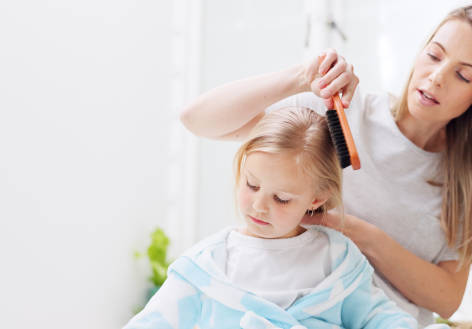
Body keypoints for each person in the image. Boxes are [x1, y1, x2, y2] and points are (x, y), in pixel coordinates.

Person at [180, 5, 472, 328]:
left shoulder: (467, 179)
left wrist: (359, 233)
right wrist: (302, 77)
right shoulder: (340, 112)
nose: (436, 78)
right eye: (434, 55)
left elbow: (447, 299)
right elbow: (197, 120)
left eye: (463, 75)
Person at [124, 107, 445, 329]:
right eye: (251, 185)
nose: (260, 206)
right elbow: (153, 322)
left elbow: (377, 317)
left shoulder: (336, 258)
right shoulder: (210, 263)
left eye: (281, 198)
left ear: (316, 199)